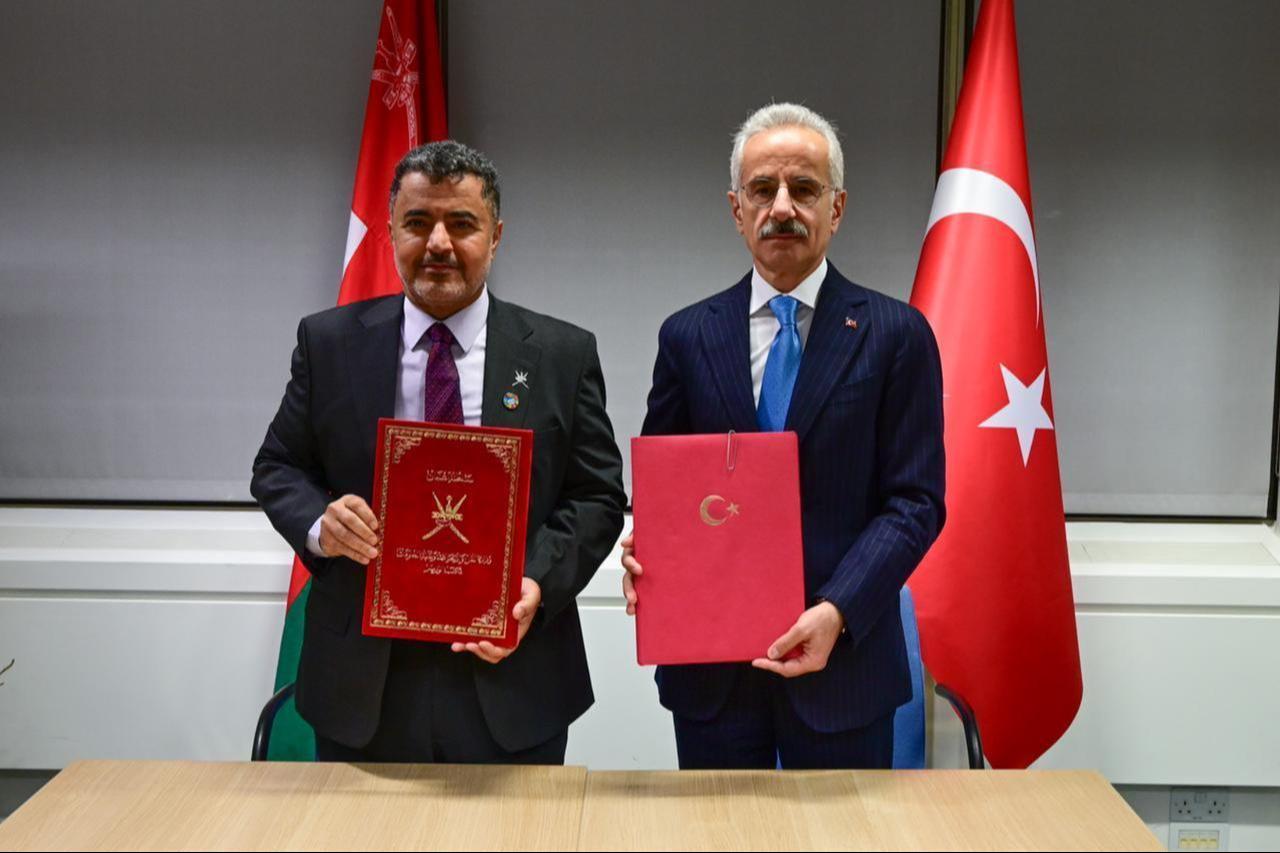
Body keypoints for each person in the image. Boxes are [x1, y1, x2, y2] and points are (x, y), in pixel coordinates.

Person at [253, 140, 626, 764]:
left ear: (496, 235)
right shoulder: (329, 342)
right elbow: (278, 468)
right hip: (362, 679)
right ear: (390, 231)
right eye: (418, 223)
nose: (438, 245)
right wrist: (323, 524)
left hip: (513, 672)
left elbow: (598, 496)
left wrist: (537, 580)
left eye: (462, 224)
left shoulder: (562, 353)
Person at [621, 103, 945, 769]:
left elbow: (915, 501)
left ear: (838, 207)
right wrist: (645, 545)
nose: (783, 207)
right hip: (712, 673)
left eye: (805, 188)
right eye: (763, 189)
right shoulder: (687, 335)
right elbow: (669, 488)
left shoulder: (896, 335)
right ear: (737, 210)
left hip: (844, 664)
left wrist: (837, 610)